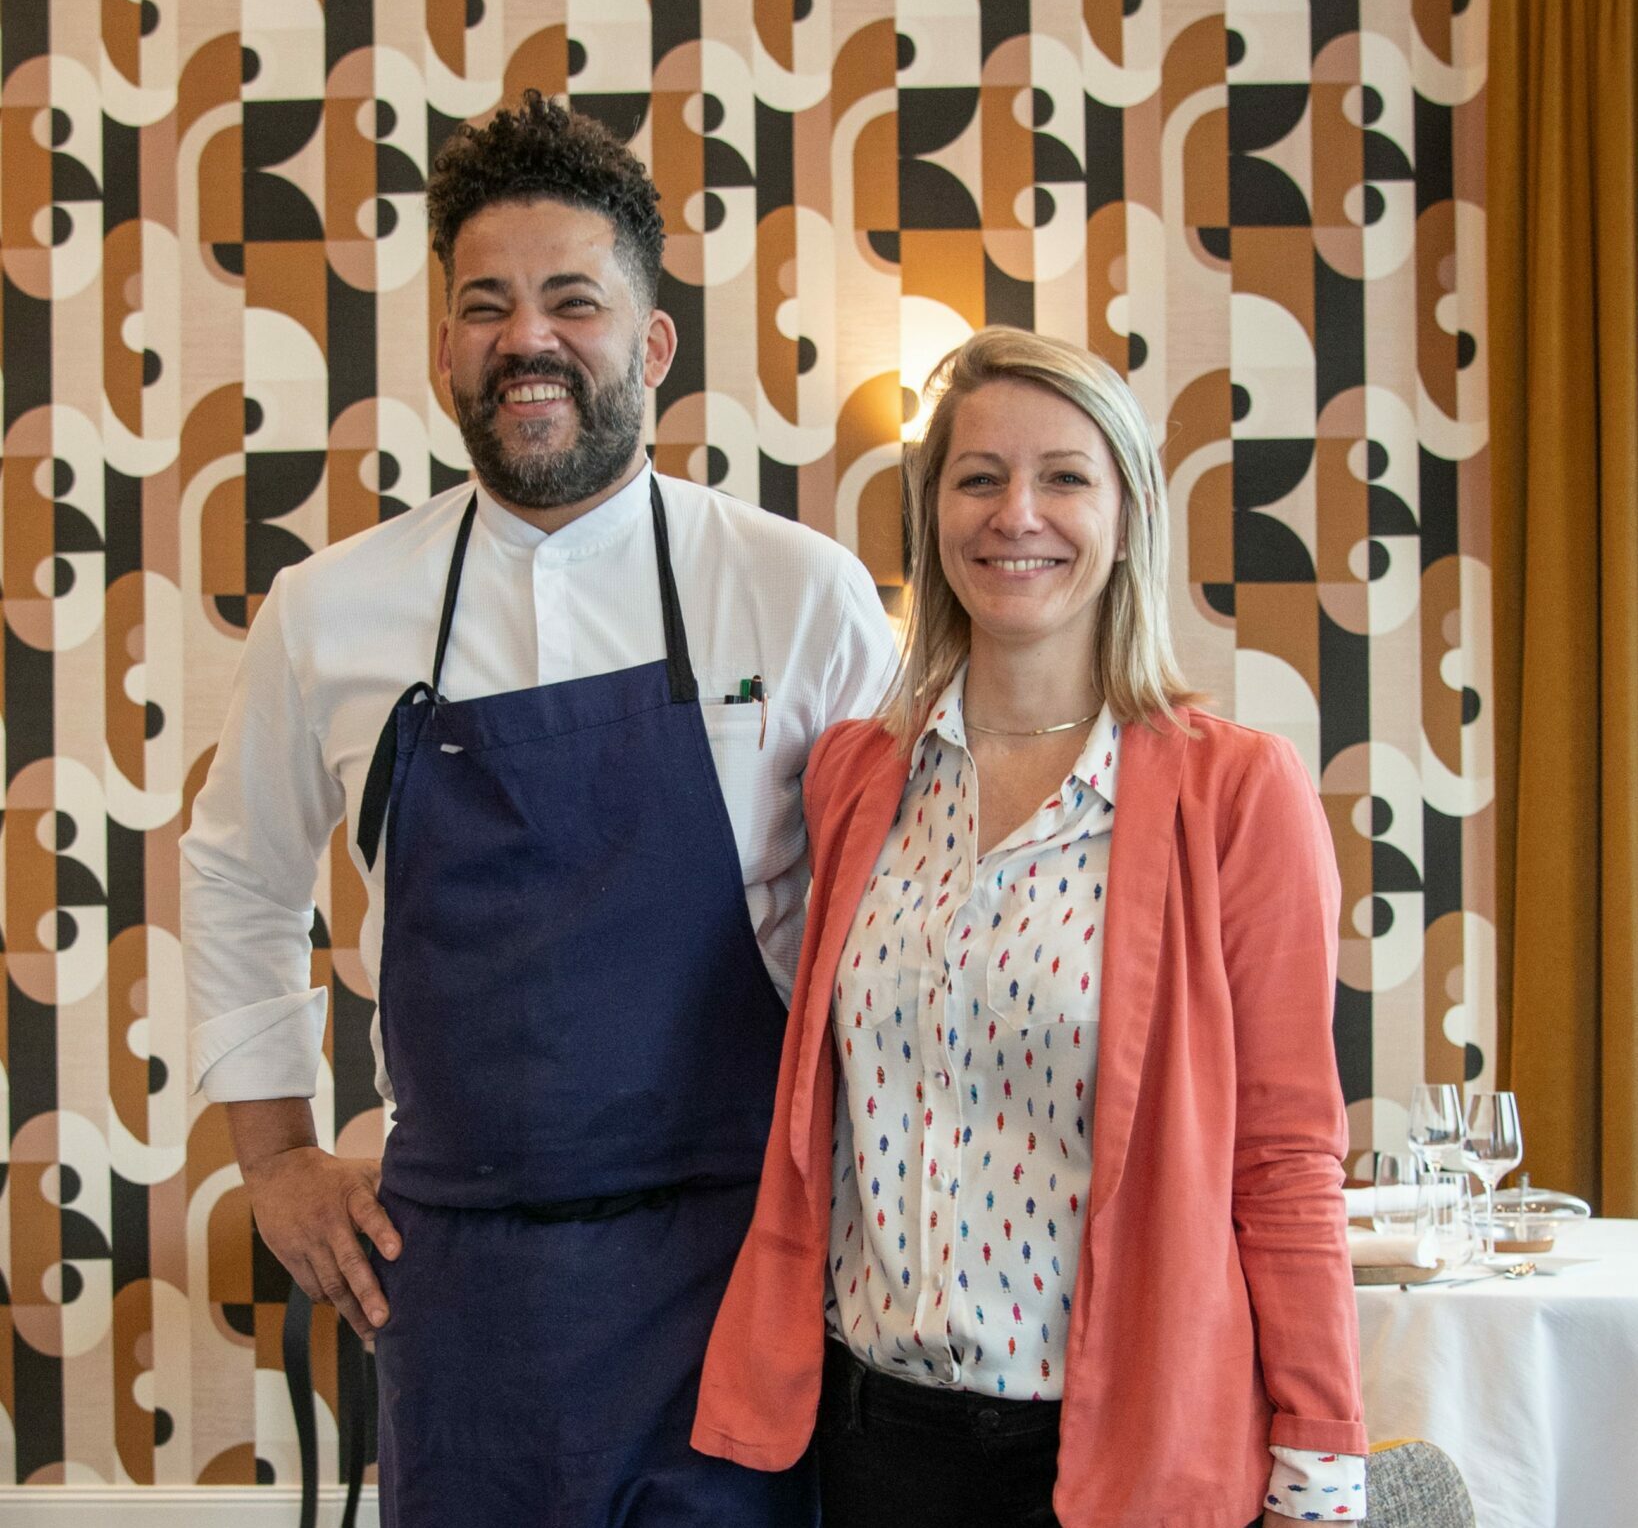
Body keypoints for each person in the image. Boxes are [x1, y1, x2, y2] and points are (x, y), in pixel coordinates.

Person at [181, 92, 898, 1526]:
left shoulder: (796, 590)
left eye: (572, 300)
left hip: (738, 1273)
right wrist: (274, 1157)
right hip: (462, 1303)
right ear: (446, 343)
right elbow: (236, 878)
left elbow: (900, 916)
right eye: (485, 305)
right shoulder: (332, 613)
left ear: (650, 343)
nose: (527, 340)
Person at [691, 327, 1368, 1527]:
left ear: (1126, 514)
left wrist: (1319, 1461)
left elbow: (1286, 1157)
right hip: (872, 1439)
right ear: (933, 512)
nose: (1018, 513)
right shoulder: (857, 777)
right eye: (978, 476)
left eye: (1064, 476)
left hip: (1118, 1450)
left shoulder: (1237, 795)